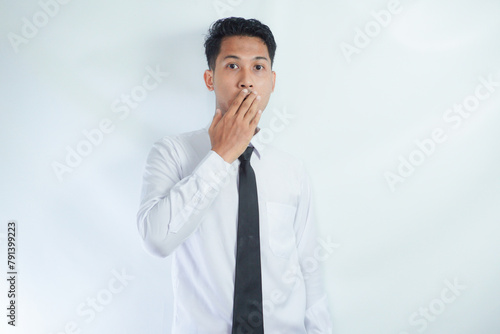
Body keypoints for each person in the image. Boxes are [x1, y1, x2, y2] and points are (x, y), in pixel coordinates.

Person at [137, 17, 333, 333]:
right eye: (232, 66)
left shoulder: (291, 170)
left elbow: (308, 269)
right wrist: (221, 155)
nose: (246, 81)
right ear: (209, 78)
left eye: (258, 67)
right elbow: (157, 240)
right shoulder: (172, 153)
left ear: (271, 80)